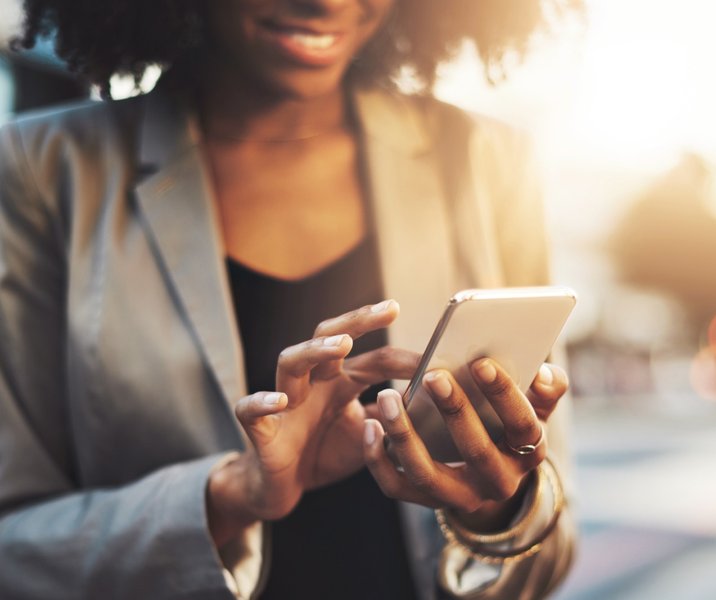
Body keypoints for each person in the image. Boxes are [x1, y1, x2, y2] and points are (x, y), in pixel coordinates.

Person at [0, 0, 578, 598]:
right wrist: (232, 495)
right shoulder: (40, 171)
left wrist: (493, 517)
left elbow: (554, 539)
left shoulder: (487, 160)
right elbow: (10, 546)